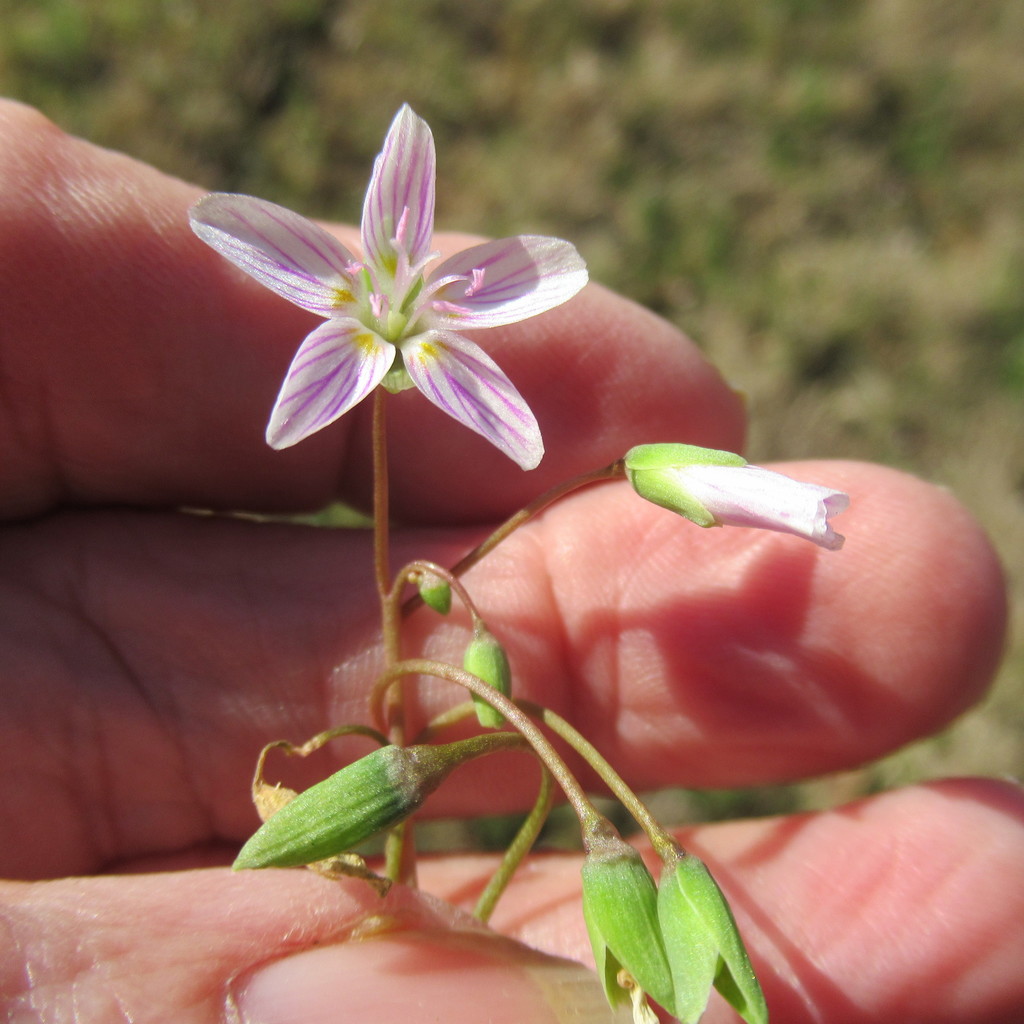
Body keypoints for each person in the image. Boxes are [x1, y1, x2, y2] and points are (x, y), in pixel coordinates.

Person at [0, 97, 1020, 1023]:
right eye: (386, 296)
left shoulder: (407, 339)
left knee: (551, 746)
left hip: (412, 396)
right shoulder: (352, 351)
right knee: (486, 748)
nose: (397, 301)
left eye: (408, 295)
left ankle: (599, 855)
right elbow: (258, 261)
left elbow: (534, 335)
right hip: (381, 404)